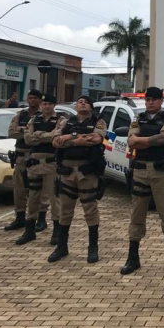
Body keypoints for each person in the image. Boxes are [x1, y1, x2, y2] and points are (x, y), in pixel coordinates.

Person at [120, 86, 164, 276]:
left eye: (154, 99)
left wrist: (141, 140)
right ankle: (133, 258)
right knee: (137, 215)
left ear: (161, 101)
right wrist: (149, 140)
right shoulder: (138, 118)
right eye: (148, 100)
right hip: (140, 171)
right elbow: (131, 141)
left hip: (161, 173)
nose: (150, 103)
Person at [49, 96, 107, 263]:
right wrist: (77, 139)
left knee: (90, 209)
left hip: (86, 172)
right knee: (65, 210)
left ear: (91, 107)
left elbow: (95, 139)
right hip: (66, 171)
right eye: (80, 101)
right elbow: (55, 141)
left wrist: (68, 138)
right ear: (75, 105)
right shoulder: (65, 122)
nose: (82, 103)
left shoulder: (98, 121)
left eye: (86, 102)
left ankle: (92, 248)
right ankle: (61, 247)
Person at [15, 94, 61, 247]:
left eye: (49, 103)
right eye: (45, 103)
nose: (47, 106)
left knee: (55, 198)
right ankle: (29, 230)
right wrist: (46, 136)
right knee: (33, 197)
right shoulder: (34, 119)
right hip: (34, 163)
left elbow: (56, 138)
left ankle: (57, 232)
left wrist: (38, 135)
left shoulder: (61, 120)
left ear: (54, 105)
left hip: (51, 164)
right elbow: (28, 139)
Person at [4, 89, 50, 232]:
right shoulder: (21, 114)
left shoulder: (44, 116)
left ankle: (41, 219)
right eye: (30, 98)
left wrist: (25, 131)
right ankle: (20, 218)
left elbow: (47, 136)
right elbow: (12, 132)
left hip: (37, 157)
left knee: (40, 190)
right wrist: (31, 132)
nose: (32, 100)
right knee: (19, 189)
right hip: (20, 157)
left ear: (40, 100)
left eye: (35, 98)